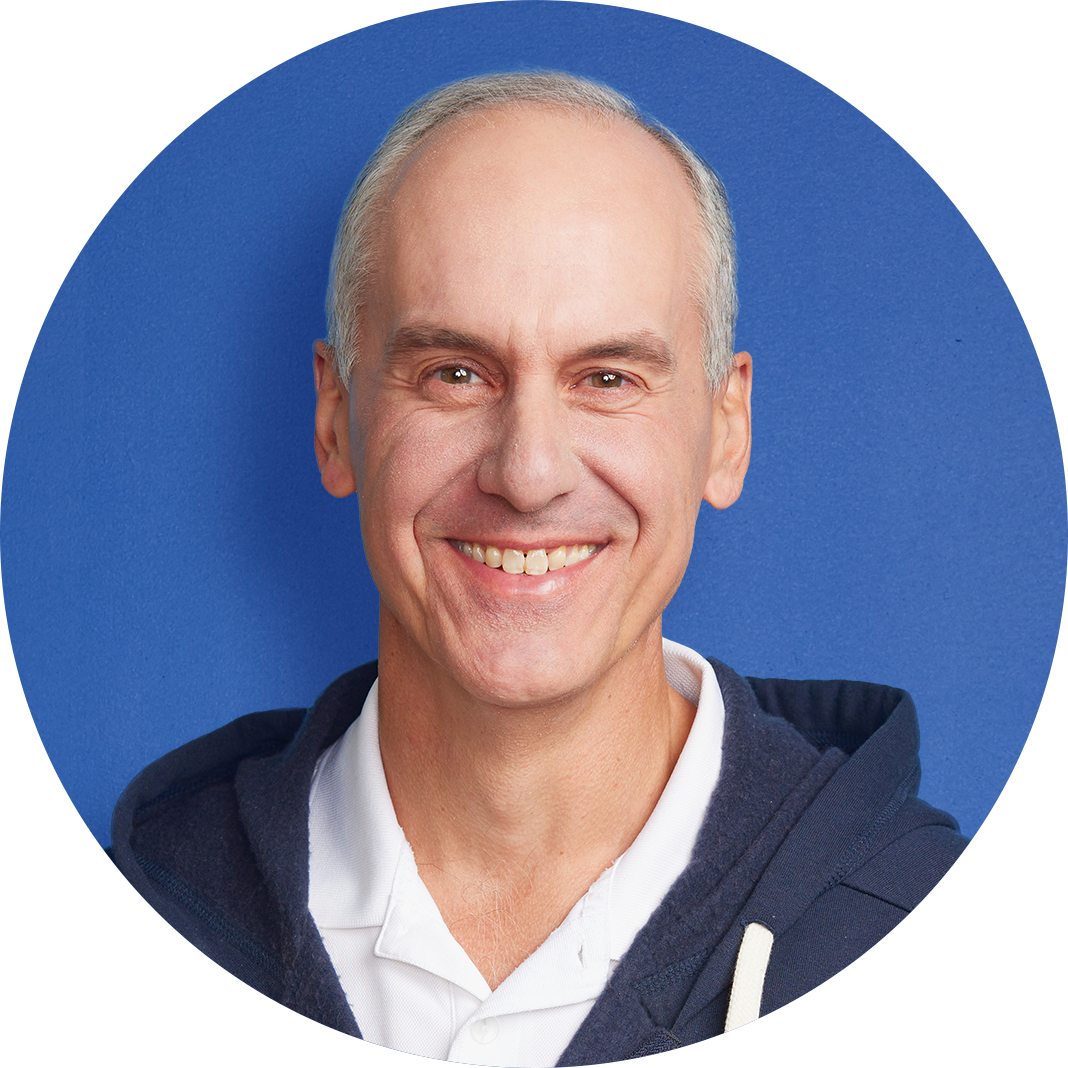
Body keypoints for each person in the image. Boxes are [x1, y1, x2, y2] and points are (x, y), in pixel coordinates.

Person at [110, 72, 967, 1067]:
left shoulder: (905, 919)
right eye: (455, 374)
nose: (527, 474)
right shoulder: (151, 917)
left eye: (607, 378)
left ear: (726, 431)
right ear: (336, 419)